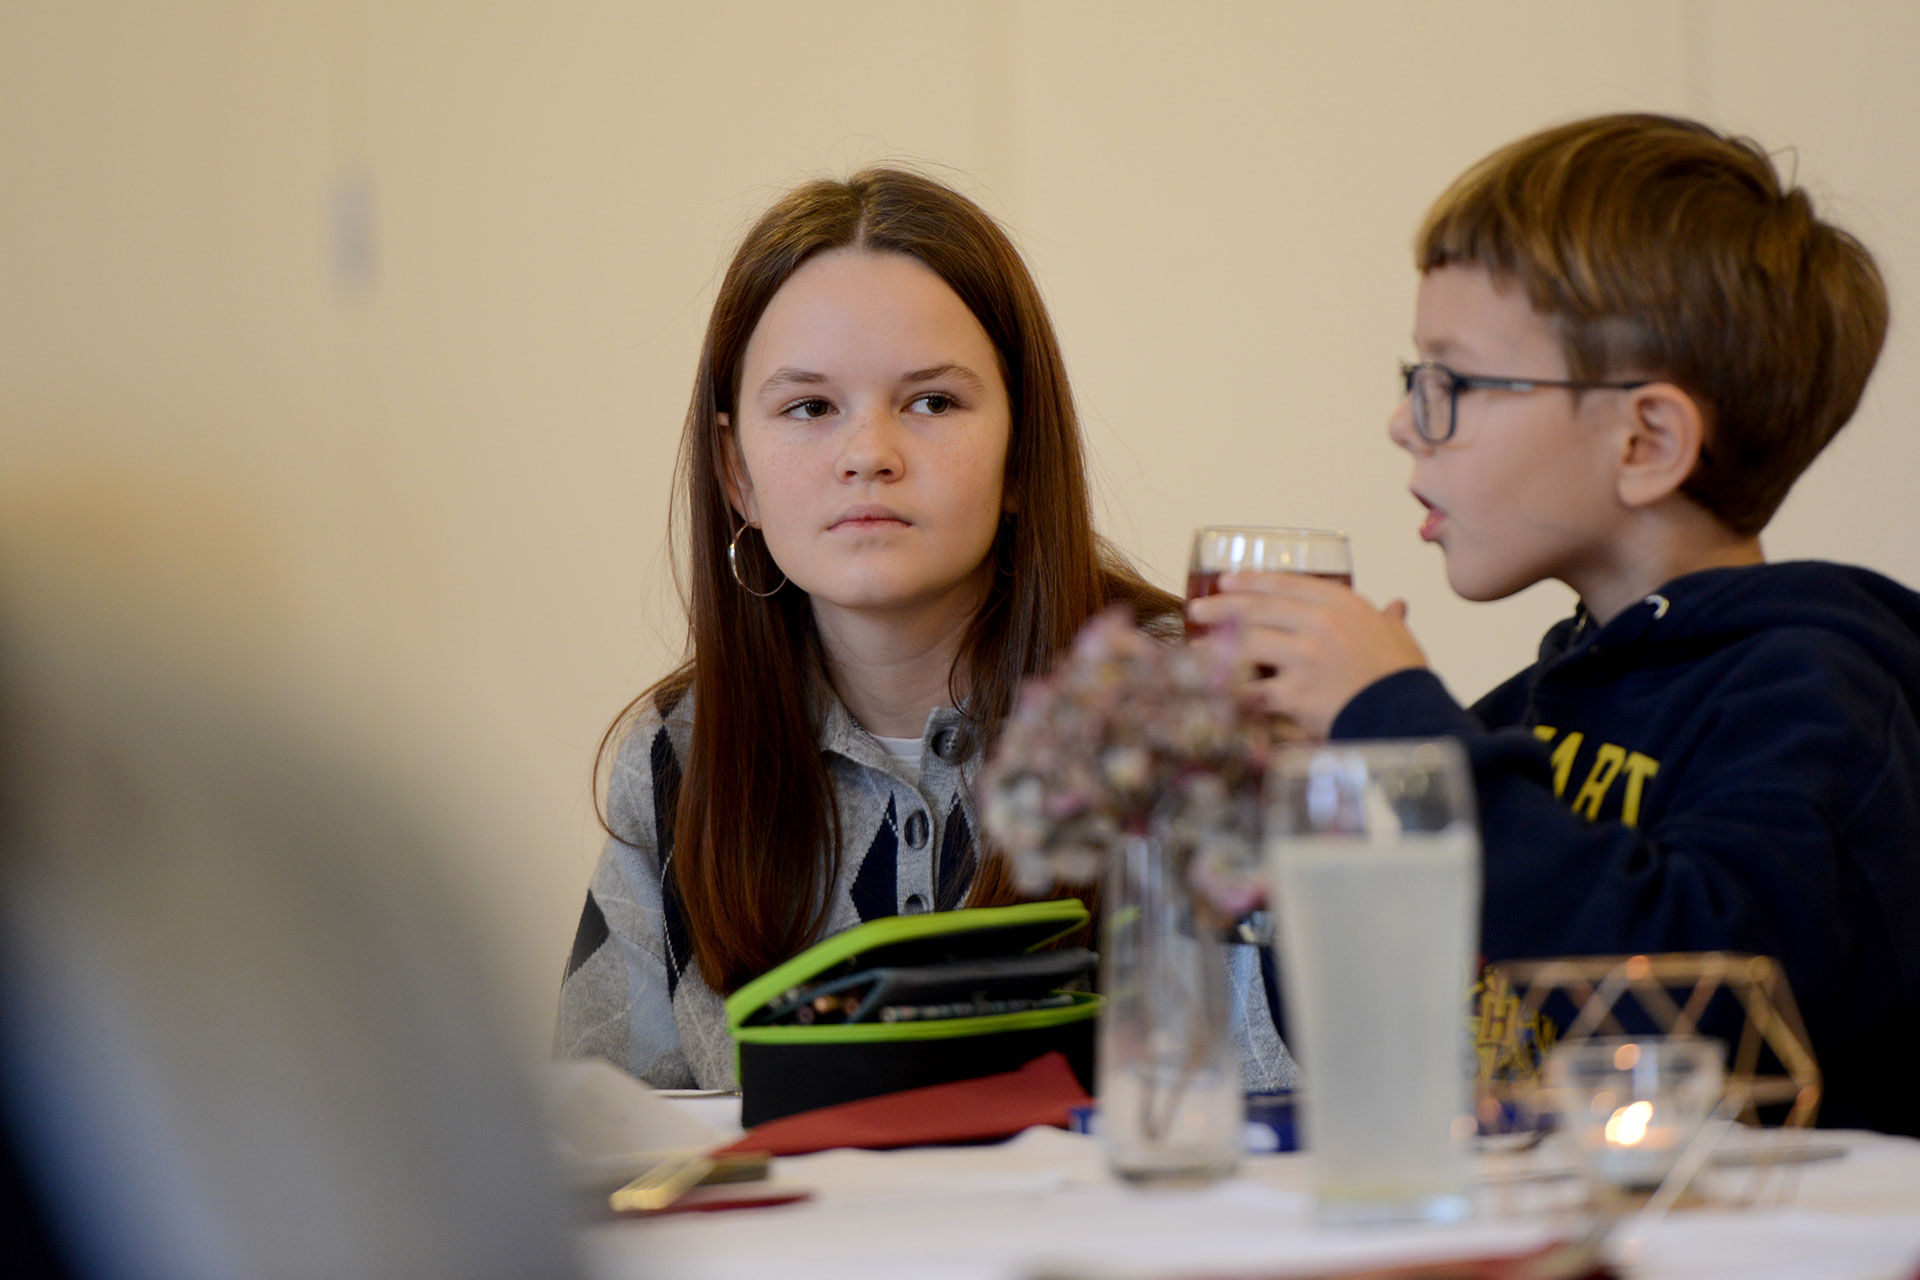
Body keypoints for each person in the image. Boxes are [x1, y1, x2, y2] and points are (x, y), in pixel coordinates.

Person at [1189, 113, 1920, 1135]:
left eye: (1453, 382)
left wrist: (1403, 733)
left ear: (1646, 441)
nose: (1405, 422)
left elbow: (1707, 1018)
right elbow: (1368, 1030)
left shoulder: (1819, 704)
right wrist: (1324, 802)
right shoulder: (1526, 716)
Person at [556, 167, 1294, 1091]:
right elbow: (608, 1132)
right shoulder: (678, 755)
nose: (869, 454)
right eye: (809, 407)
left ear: (1022, 455)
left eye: (932, 402)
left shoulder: (1182, 709)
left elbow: (1295, 1085)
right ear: (735, 473)